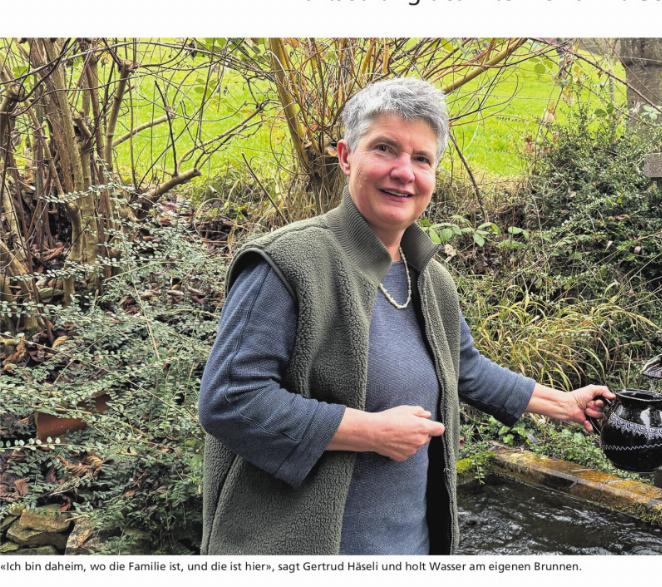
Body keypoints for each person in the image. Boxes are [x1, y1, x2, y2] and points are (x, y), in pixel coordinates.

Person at [198, 78, 613, 555]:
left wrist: (566, 404)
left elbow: (465, 368)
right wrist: (369, 432)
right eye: (385, 148)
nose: (404, 172)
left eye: (421, 158)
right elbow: (230, 399)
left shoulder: (430, 279)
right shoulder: (289, 263)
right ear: (346, 155)